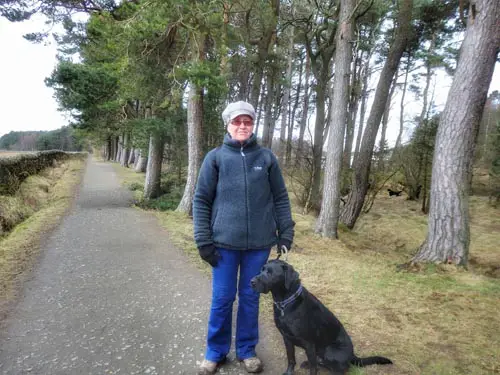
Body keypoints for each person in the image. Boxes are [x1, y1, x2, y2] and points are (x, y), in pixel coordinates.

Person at [193, 101, 295, 374]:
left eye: (247, 122)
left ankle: (247, 350)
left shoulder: (266, 159)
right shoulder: (214, 158)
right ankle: (215, 351)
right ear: (228, 125)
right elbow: (201, 200)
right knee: (222, 298)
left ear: (252, 126)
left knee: (250, 298)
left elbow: (280, 198)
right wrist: (203, 241)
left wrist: (286, 232)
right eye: (237, 122)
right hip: (223, 245)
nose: (242, 126)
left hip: (259, 245)